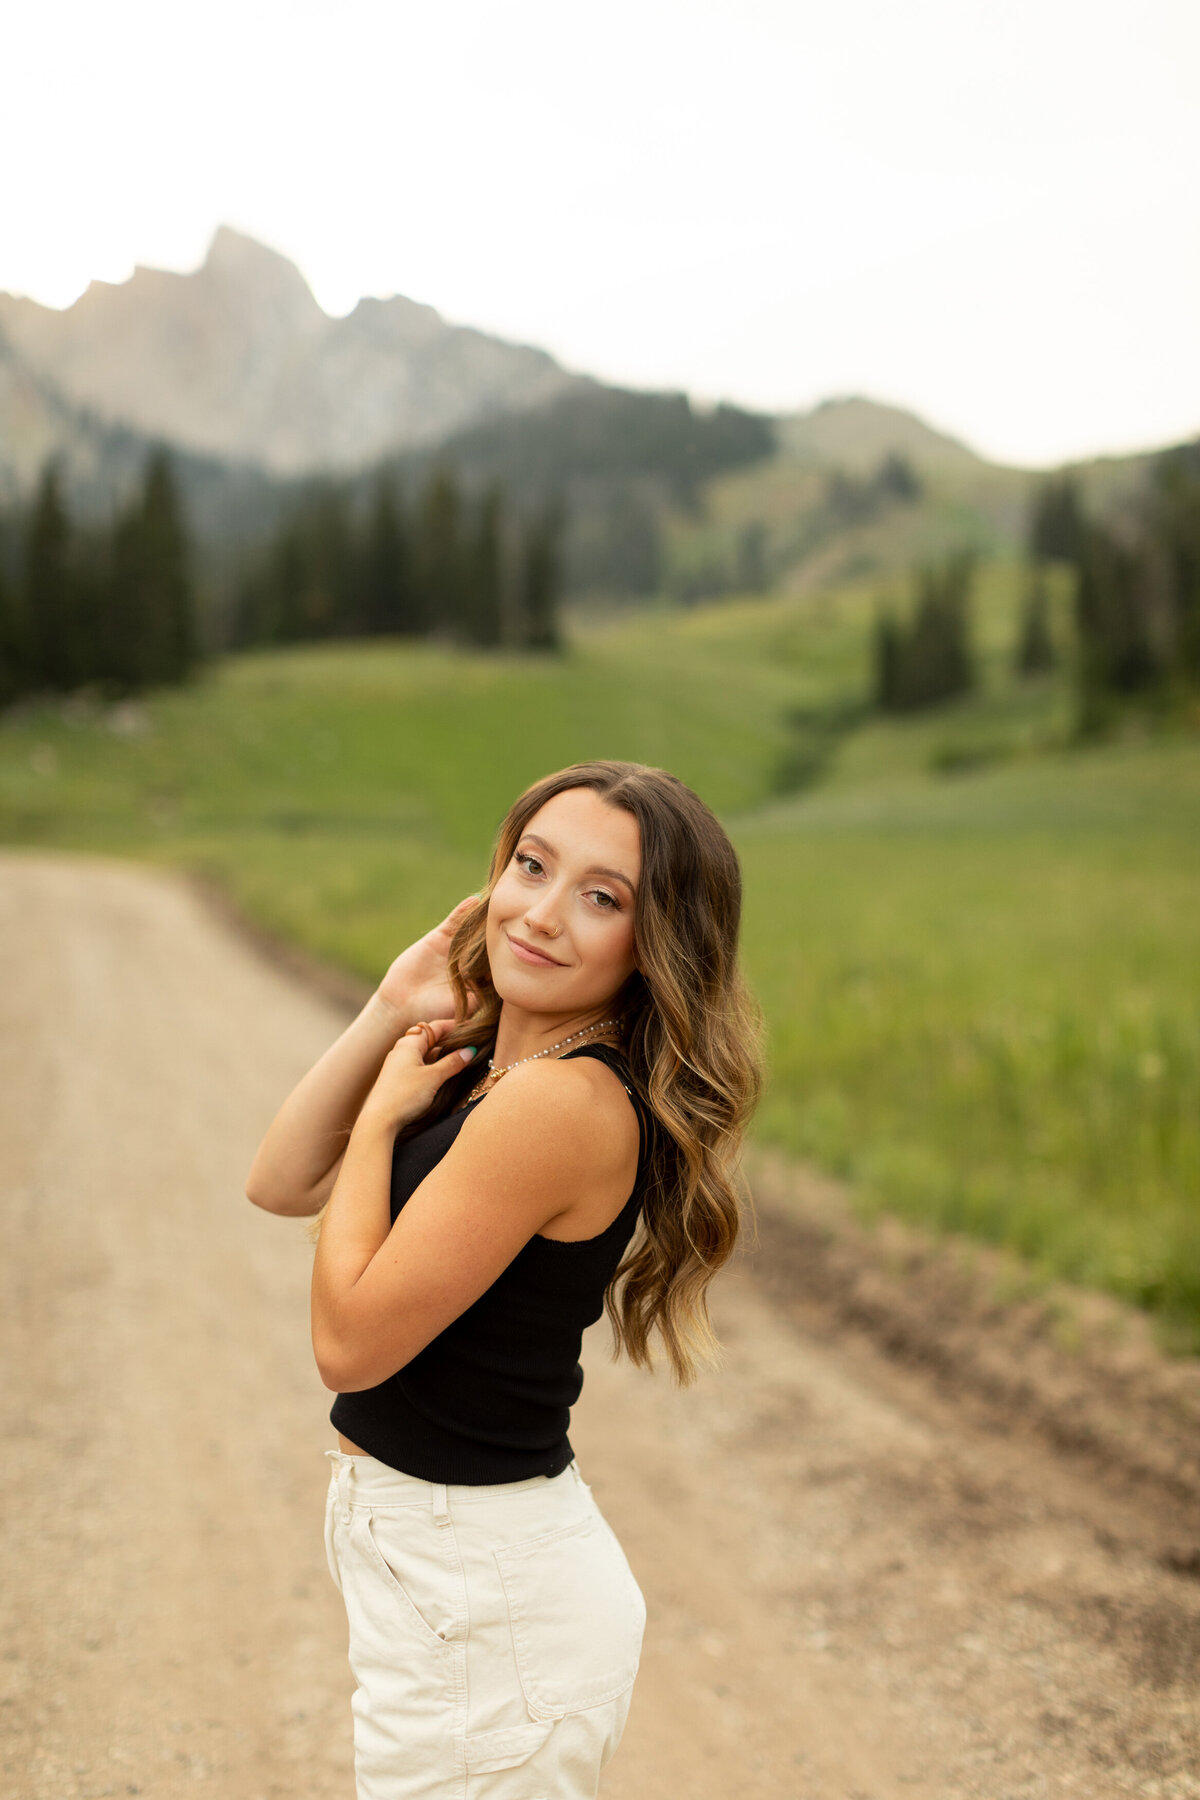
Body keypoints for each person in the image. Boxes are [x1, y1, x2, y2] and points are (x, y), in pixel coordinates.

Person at [246, 759, 761, 1800]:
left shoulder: (558, 1106)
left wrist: (385, 1121)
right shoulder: (494, 1068)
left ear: (652, 947)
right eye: (532, 866)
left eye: (602, 897)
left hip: (486, 1595)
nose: (543, 913)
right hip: (453, 1572)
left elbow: (347, 1346)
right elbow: (280, 1179)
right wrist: (395, 1005)